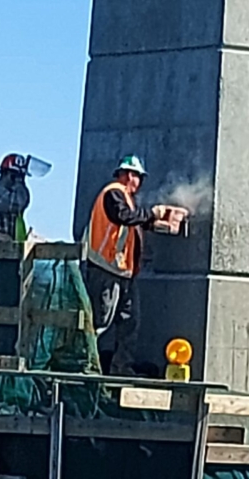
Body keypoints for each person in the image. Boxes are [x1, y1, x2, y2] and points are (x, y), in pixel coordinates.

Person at [84, 154, 166, 376]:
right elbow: (123, 216)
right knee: (99, 322)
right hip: (105, 268)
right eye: (138, 177)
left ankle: (121, 367)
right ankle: (83, 365)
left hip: (123, 272)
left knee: (129, 322)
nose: (139, 183)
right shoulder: (113, 193)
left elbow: (131, 223)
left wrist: (153, 221)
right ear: (131, 175)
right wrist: (151, 213)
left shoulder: (126, 199)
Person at [0, 153, 45, 354]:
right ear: (10, 175)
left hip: (1, 258)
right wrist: (21, 182)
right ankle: (1, 353)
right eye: (18, 177)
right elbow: (19, 202)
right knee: (5, 310)